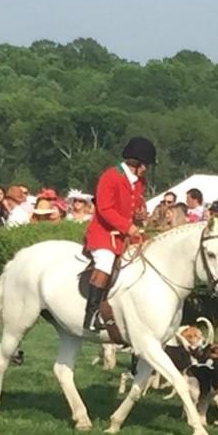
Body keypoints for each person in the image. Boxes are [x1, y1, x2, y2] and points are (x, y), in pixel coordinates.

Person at [83, 137, 153, 332]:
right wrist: (127, 226)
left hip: (127, 235)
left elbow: (136, 205)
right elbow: (104, 209)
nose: (147, 169)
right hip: (104, 233)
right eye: (146, 165)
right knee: (105, 263)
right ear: (138, 163)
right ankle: (92, 313)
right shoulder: (110, 176)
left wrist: (141, 214)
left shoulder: (140, 182)